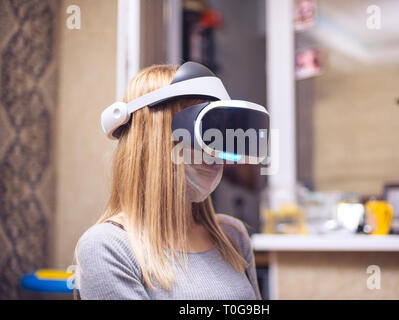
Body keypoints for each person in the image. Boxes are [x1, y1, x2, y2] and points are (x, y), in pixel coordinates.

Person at [74, 64, 262, 300]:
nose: (214, 153)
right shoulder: (107, 247)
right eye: (203, 133)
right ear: (154, 139)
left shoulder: (232, 236)